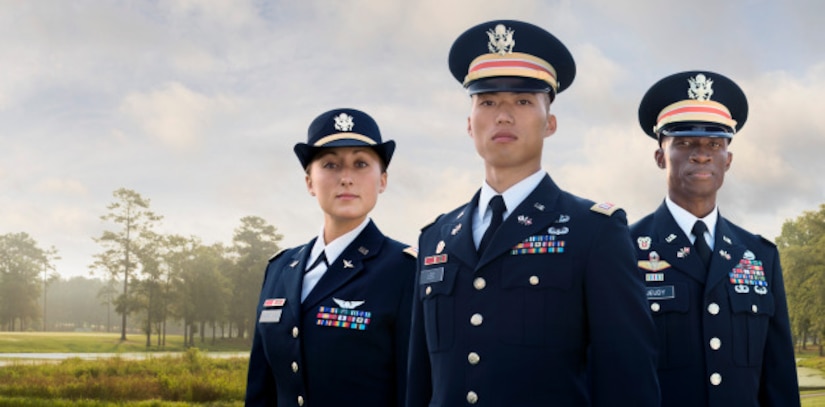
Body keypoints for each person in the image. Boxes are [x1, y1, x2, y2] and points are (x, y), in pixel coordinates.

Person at [406, 20, 660, 406]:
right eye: (487, 102)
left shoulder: (594, 232)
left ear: (550, 123)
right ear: (469, 123)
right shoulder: (436, 236)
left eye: (523, 101)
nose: (503, 115)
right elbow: (420, 383)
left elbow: (629, 380)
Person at [633, 70, 800, 406]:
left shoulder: (758, 254)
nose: (701, 154)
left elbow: (778, 376)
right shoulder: (621, 249)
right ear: (659, 156)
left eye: (714, 144)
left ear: (729, 159)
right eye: (684, 143)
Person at [245, 108, 417, 407]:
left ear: (383, 181)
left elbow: (411, 390)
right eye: (331, 164)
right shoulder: (280, 268)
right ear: (310, 182)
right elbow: (261, 389)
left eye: (361, 163)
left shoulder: (405, 270)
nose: (346, 178)